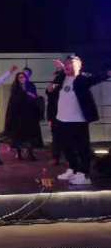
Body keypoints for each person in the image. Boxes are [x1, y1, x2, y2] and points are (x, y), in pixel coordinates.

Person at [49, 56, 111, 185]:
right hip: (61, 119)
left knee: (82, 149)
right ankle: (73, 169)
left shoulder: (83, 79)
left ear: (79, 65)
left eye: (71, 63)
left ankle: (84, 175)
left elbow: (98, 77)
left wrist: (108, 73)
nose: (67, 65)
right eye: (66, 64)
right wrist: (53, 85)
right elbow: (50, 90)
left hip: (78, 120)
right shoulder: (62, 78)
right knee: (67, 148)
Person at [6, 72, 43, 160]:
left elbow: (35, 96)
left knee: (30, 135)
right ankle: (19, 153)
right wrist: (24, 95)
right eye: (20, 77)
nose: (22, 79)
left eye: (23, 77)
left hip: (30, 114)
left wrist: (31, 95)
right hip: (18, 115)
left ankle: (30, 153)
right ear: (17, 79)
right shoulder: (15, 87)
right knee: (18, 135)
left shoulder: (31, 86)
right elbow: (13, 101)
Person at [46, 71, 62, 166]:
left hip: (66, 116)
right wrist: (49, 119)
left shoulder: (64, 87)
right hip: (54, 116)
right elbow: (49, 105)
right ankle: (56, 158)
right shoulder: (53, 88)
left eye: (57, 78)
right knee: (55, 138)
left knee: (68, 138)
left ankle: (70, 160)